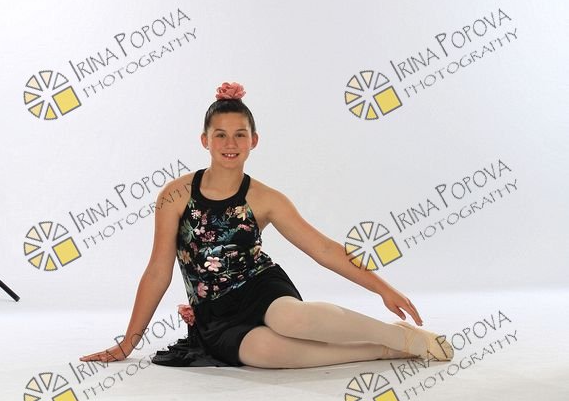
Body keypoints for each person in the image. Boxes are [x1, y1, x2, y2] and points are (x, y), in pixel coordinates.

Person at [80, 82, 453, 369]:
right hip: (215, 315)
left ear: (253, 140)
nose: (230, 143)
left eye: (240, 134)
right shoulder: (175, 195)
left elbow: (323, 249)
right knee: (263, 353)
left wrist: (383, 288)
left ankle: (404, 338)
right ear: (205, 140)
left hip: (262, 287)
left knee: (290, 318)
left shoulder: (266, 198)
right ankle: (385, 349)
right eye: (220, 134)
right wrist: (128, 343)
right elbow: (158, 270)